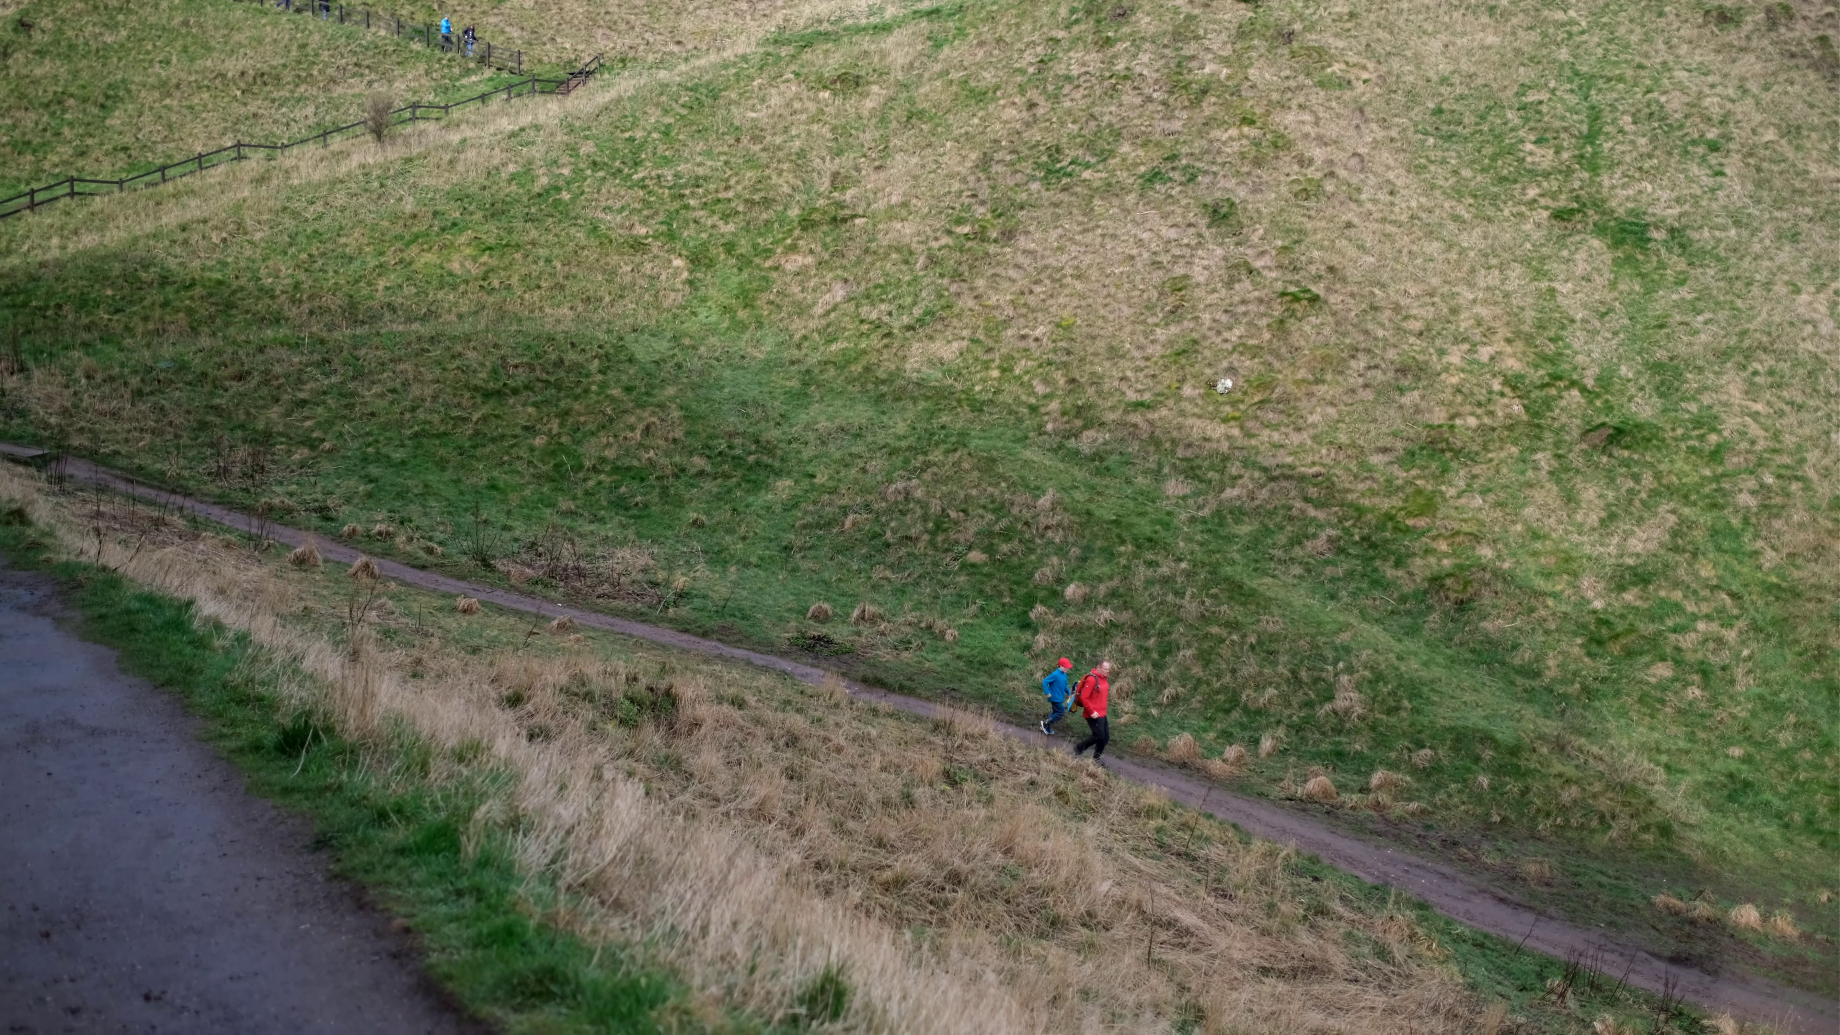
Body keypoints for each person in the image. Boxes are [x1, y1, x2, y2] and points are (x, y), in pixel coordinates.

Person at [1071, 661, 1113, 764]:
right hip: (1093, 714)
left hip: (1102, 713)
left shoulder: (1104, 678)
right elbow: (1084, 697)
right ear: (1098, 667)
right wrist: (1091, 711)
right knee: (1099, 735)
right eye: (1105, 669)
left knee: (1105, 738)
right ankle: (1079, 748)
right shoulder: (1092, 679)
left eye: (1108, 669)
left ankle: (1096, 758)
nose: (1107, 671)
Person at [1039, 657, 1074, 736]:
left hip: (1060, 697)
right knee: (1061, 711)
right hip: (1054, 697)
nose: (1067, 669)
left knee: (1055, 712)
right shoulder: (1055, 674)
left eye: (1068, 667)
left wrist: (1069, 693)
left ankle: (1046, 728)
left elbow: (1065, 686)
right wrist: (1047, 692)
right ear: (1060, 666)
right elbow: (1045, 681)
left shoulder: (1065, 675)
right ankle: (1045, 723)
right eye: (1066, 667)